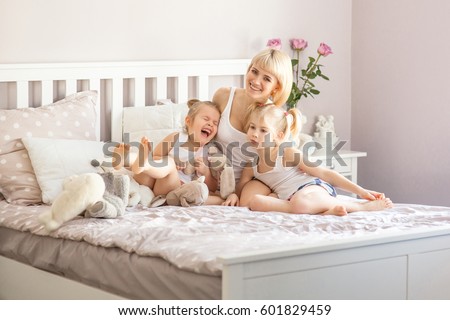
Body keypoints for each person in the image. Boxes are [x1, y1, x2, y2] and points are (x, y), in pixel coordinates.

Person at [237, 104, 393, 216]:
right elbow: (240, 192)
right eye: (252, 127)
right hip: (289, 199)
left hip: (312, 188)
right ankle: (324, 212)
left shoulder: (286, 152)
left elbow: (323, 172)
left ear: (279, 136)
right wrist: (232, 195)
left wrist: (361, 191)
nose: (255, 134)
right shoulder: (252, 165)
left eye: (263, 130)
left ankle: (361, 207)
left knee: (301, 202)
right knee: (256, 201)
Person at [213, 48, 293, 206]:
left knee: (249, 203)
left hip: (252, 185)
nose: (256, 81)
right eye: (254, 71)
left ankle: (288, 202)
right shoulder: (224, 96)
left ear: (277, 87)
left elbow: (280, 160)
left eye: (267, 78)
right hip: (215, 179)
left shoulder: (276, 118)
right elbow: (203, 131)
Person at [113, 99, 227, 205]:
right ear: (188, 121)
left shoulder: (208, 152)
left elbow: (212, 188)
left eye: (215, 123)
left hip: (171, 189)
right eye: (206, 119)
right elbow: (156, 155)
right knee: (151, 161)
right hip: (148, 181)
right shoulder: (176, 137)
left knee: (169, 163)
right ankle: (126, 160)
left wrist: (206, 172)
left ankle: (141, 163)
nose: (211, 124)